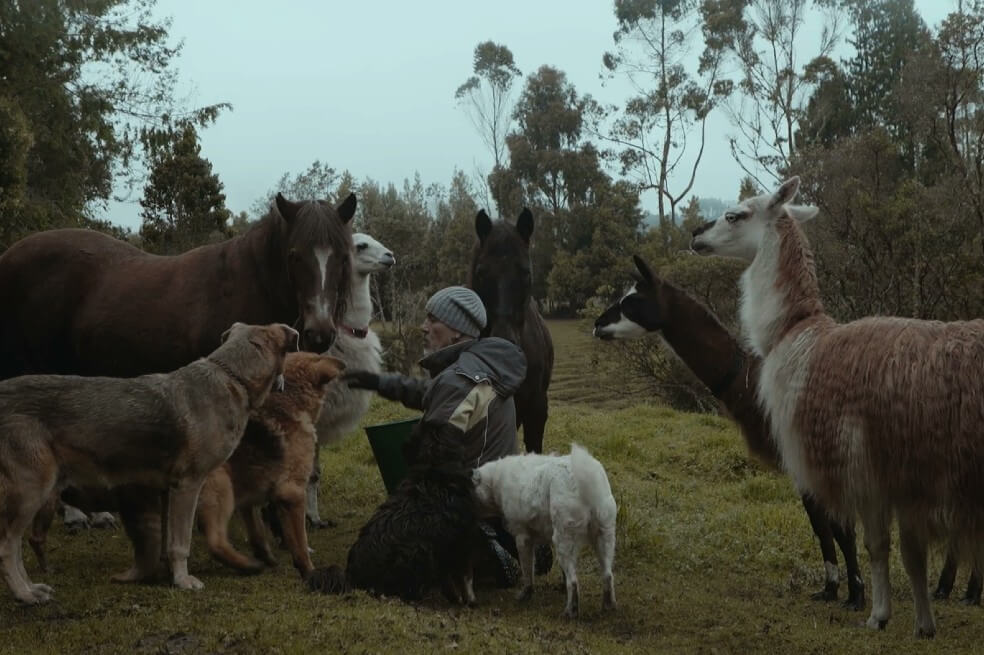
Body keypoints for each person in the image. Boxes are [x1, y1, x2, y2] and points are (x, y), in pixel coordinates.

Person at [342, 285, 532, 586]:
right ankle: (508, 537)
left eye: (433, 320)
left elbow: (432, 465)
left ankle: (481, 549)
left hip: (473, 497)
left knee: (390, 541)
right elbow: (431, 394)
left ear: (456, 331)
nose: (423, 326)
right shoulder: (483, 364)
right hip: (502, 490)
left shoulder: (458, 380)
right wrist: (378, 382)